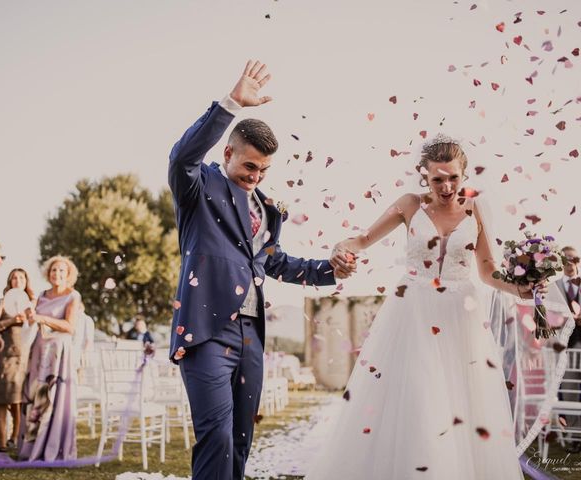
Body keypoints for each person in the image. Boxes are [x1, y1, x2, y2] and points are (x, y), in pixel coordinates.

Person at [307, 136, 545, 479]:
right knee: (418, 397)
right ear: (425, 177)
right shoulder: (409, 205)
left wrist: (519, 290)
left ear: (464, 175)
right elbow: (359, 241)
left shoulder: (475, 209)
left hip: (461, 317)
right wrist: (339, 250)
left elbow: (487, 271)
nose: (446, 186)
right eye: (437, 179)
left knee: (463, 401)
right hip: (412, 313)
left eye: (453, 178)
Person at [168, 60, 339, 480]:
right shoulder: (199, 186)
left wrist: (329, 269)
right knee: (217, 436)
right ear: (228, 153)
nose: (256, 176)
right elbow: (182, 155)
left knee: (242, 439)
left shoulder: (267, 209)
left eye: (263, 170)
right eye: (249, 166)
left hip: (250, 336)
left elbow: (276, 262)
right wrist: (229, 105)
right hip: (206, 330)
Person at [18, 255, 80, 461]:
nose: (57, 274)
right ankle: (31, 448)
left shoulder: (73, 296)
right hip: (38, 351)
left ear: (68, 274)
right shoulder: (41, 294)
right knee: (34, 396)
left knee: (53, 398)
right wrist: (28, 315)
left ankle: (52, 447)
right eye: (54, 270)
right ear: (48, 272)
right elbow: (31, 319)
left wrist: (42, 318)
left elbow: (70, 327)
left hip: (58, 354)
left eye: (62, 270)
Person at [0, 268, 36, 452]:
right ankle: (1, 440)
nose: (17, 280)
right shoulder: (2, 302)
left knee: (16, 399)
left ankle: (14, 437)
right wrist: (11, 321)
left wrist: (28, 320)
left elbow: (37, 328)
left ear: (26, 281)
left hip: (22, 356)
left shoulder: (31, 303)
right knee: (0, 398)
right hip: (2, 355)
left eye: (21, 277)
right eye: (14, 278)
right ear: (10, 281)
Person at [556, 246, 581, 452]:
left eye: (574, 258)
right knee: (570, 390)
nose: (570, 262)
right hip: (564, 346)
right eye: (566, 258)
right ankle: (574, 436)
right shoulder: (553, 287)